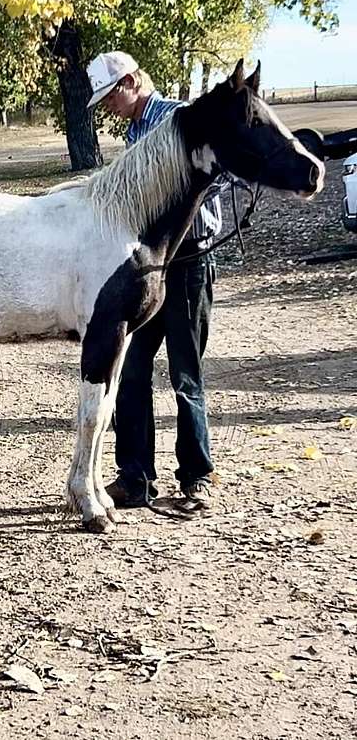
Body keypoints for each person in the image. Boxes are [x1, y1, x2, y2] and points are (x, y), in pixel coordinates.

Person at [86, 50, 221, 513]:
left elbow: (213, 178)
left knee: (186, 373)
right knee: (132, 370)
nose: (107, 106)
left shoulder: (180, 118)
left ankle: (196, 477)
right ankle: (135, 476)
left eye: (110, 96)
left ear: (130, 81)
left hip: (189, 260)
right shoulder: (135, 131)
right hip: (149, 265)